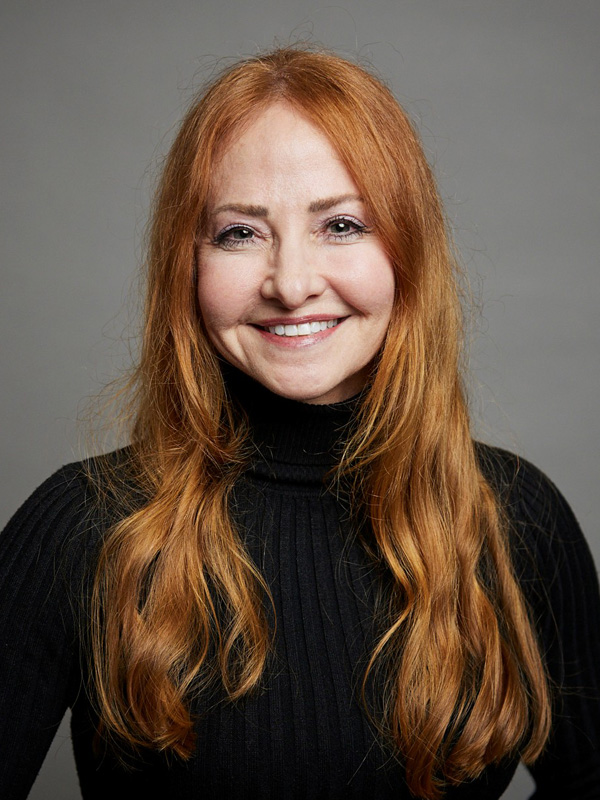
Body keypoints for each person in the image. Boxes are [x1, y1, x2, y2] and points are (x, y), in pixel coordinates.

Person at [1, 46, 599, 800]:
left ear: (408, 249)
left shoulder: (515, 516)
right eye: (240, 233)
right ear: (188, 263)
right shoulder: (84, 526)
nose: (290, 284)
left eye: (341, 225)